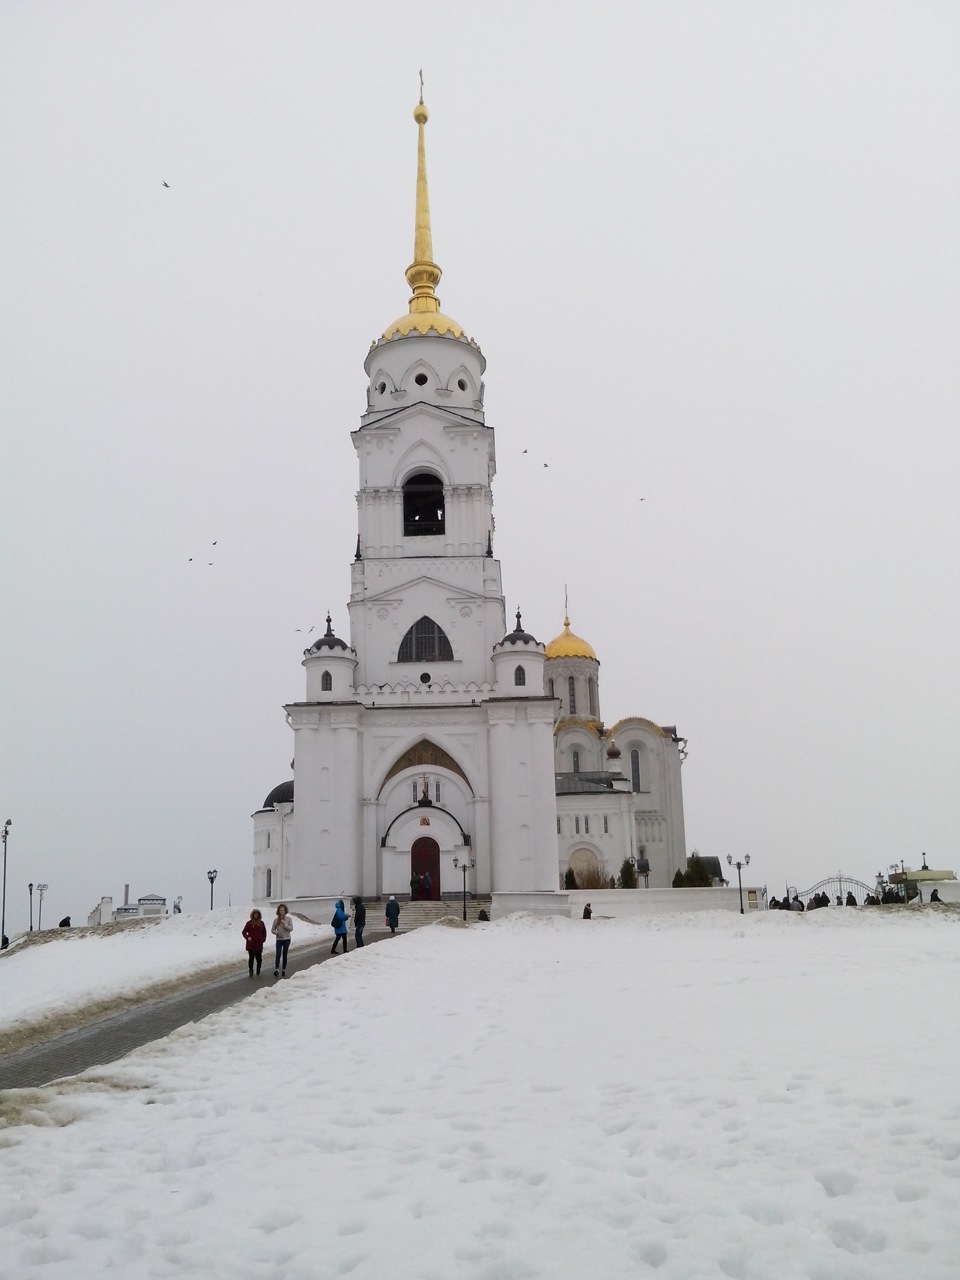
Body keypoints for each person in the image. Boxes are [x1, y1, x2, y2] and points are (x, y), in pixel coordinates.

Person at [243, 908, 267, 978]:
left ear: (259, 915)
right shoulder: (249, 923)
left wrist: (263, 939)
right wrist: (247, 937)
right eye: (254, 914)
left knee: (259, 958)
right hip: (251, 944)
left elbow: (264, 932)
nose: (256, 915)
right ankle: (250, 971)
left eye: (257, 914)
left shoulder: (261, 923)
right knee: (251, 958)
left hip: (259, 944)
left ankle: (258, 969)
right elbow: (244, 932)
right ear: (252, 915)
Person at [271, 903, 293, 976]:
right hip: (279, 939)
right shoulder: (276, 920)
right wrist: (276, 932)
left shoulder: (289, 919)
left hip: (287, 939)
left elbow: (291, 929)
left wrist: (284, 924)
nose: (282, 911)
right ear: (278, 911)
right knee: (278, 953)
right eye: (280, 910)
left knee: (284, 954)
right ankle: (276, 969)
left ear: (285, 911)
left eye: (283, 910)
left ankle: (284, 969)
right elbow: (272, 930)